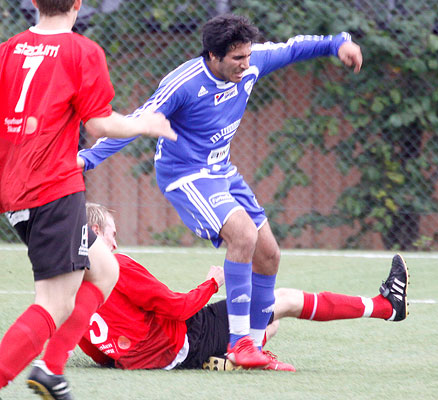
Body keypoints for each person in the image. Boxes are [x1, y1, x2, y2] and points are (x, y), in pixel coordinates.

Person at [78, 14, 365, 369]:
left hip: (221, 171)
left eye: (247, 57)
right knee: (242, 234)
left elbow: (293, 48)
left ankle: (255, 346)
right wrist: (88, 159)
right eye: (237, 59)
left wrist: (339, 43)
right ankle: (239, 343)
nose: (246, 65)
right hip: (185, 175)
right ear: (212, 56)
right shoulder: (183, 83)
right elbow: (137, 122)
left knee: (269, 254)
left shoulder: (252, 61)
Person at [0, 1, 177, 399]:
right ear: (78, 3)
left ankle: (50, 369)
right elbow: (99, 124)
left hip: (17, 189)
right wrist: (144, 123)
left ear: (33, 2)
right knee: (54, 304)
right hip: (52, 191)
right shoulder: (82, 51)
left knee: (105, 269)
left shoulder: (8, 50)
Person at [76, 203, 408, 372]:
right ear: (95, 230)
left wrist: (124, 359)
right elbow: (177, 308)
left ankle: (224, 357)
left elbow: (91, 349)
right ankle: (387, 307)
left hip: (156, 356)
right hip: (184, 339)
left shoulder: (68, 278)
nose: (115, 243)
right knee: (284, 300)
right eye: (112, 234)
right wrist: (212, 282)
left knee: (269, 324)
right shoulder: (116, 266)